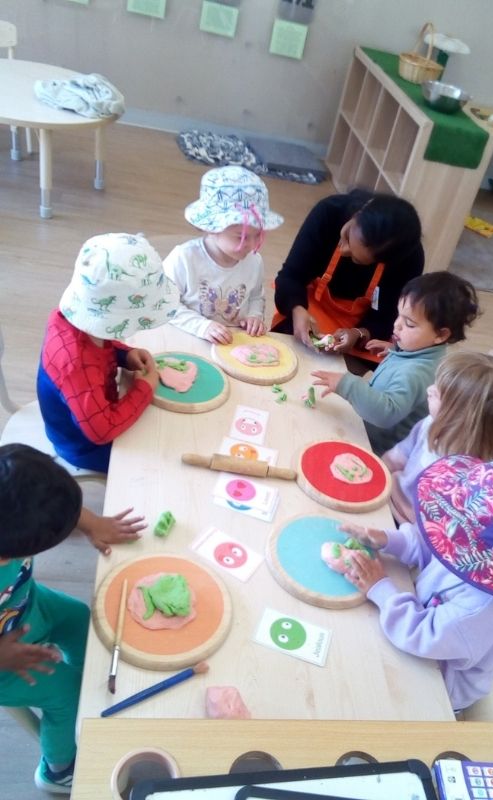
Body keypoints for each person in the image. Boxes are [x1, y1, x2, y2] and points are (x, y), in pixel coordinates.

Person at [340, 453, 493, 711]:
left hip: (442, 681)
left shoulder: (484, 608)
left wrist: (380, 587)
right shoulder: (473, 550)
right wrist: (389, 540)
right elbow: (431, 547)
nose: (453, 533)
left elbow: (422, 635)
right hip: (425, 632)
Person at [0, 443, 147, 793]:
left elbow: (43, 495)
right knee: (65, 693)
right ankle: (58, 769)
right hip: (7, 663)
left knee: (82, 618)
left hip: (27, 604)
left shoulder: (11, 506)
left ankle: (91, 690)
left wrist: (92, 523)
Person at [37, 232, 179, 474]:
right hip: (84, 447)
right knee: (160, 461)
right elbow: (101, 432)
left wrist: (126, 354)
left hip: (95, 413)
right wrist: (144, 389)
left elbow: (101, 346)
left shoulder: (75, 321)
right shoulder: (75, 364)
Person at [311, 272, 480, 455]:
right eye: (399, 315)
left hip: (376, 447)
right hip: (365, 426)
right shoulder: (422, 351)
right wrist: (396, 350)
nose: (397, 325)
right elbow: (413, 362)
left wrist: (347, 385)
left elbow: (386, 413)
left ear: (441, 335)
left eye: (409, 324)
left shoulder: (415, 373)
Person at [271, 189, 424, 361]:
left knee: (359, 370)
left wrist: (359, 334)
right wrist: (297, 310)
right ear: (357, 215)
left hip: (364, 325)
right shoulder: (329, 212)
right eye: (346, 235)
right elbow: (290, 276)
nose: (343, 250)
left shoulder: (408, 259)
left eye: (356, 259)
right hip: (310, 308)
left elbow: (387, 318)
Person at [383, 351, 493, 524]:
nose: (429, 389)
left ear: (459, 417)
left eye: (438, 393)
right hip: (386, 494)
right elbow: (399, 455)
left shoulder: (474, 477)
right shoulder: (431, 422)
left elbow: (440, 528)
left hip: (408, 527)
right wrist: (377, 473)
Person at [163, 166, 284, 344]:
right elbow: (164, 303)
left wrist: (254, 315)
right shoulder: (184, 258)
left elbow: (256, 296)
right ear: (211, 228)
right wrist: (202, 326)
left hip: (233, 345)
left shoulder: (254, 261)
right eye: (241, 237)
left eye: (257, 235)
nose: (252, 245)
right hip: (188, 340)